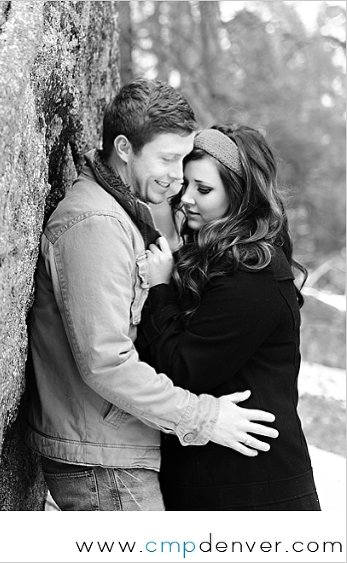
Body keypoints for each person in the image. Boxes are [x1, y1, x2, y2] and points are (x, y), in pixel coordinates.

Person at [25, 78, 279, 512]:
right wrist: (203, 418)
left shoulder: (124, 216)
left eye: (183, 160)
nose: (178, 179)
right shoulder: (95, 225)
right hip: (102, 462)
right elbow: (106, 361)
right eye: (167, 159)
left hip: (116, 450)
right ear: (124, 148)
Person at [135, 124, 321, 510]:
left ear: (237, 196)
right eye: (183, 184)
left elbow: (180, 367)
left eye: (203, 190)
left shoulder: (255, 270)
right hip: (214, 482)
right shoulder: (213, 259)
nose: (185, 198)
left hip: (256, 494)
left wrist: (159, 289)